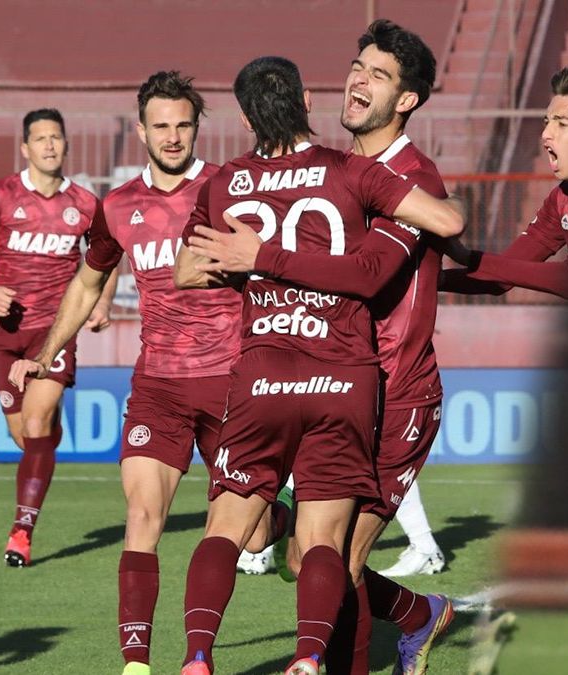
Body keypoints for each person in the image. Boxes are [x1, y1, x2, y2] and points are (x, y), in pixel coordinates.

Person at [171, 55, 462, 675]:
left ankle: (197, 657)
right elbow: (448, 219)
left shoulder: (224, 183)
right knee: (323, 544)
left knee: (227, 528)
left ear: (246, 115)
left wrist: (248, 259)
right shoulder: (351, 171)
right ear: (306, 98)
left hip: (263, 373)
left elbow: (184, 271)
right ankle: (309, 657)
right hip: (342, 375)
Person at [6, 72, 251, 675]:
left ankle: (286, 523)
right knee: (142, 517)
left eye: (183, 125)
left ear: (198, 128)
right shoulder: (116, 206)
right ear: (141, 130)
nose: (172, 137)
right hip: (158, 386)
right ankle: (140, 663)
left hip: (232, 382)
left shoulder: (228, 188)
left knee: (263, 534)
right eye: (161, 126)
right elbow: (88, 281)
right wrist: (46, 350)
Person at [0, 108, 114, 568]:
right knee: (24, 434)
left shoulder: (83, 202)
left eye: (56, 137)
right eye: (39, 138)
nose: (48, 145)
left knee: (37, 427)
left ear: (65, 145)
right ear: (25, 147)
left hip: (54, 333)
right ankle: (47, 435)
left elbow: (108, 254)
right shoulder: (1, 194)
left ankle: (21, 531)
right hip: (2, 333)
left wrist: (100, 301)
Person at [439, 62, 568, 300]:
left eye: (562, 124)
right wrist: (438, 280)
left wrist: (468, 257)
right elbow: (503, 275)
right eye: (546, 122)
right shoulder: (563, 197)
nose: (546, 134)